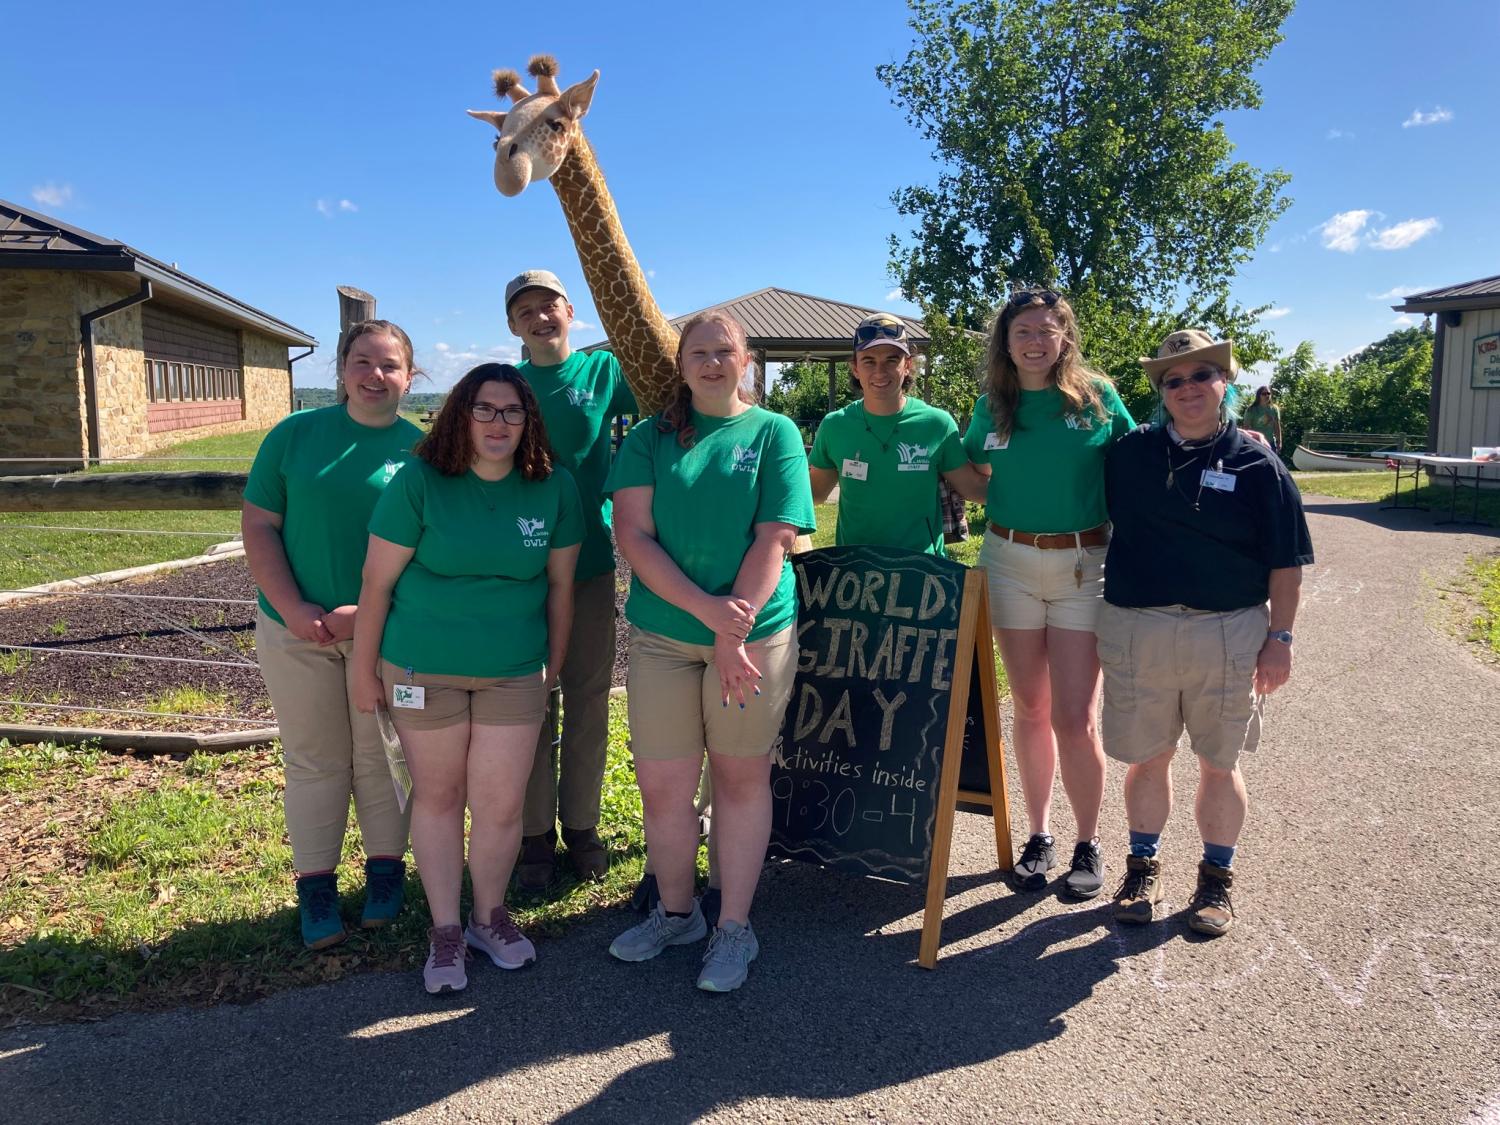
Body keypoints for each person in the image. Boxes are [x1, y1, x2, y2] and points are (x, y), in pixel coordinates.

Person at [352, 364, 582, 993]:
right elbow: (376, 585)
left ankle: (490, 917)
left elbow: (560, 589)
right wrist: (362, 670)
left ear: (528, 420)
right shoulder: (419, 482)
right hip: (420, 668)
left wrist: (551, 667)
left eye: (512, 411)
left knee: (503, 803)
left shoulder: (554, 488)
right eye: (485, 409)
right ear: (462, 413)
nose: (498, 422)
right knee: (439, 796)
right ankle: (446, 930)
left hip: (513, 672)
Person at [604, 311, 815, 992]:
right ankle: (677, 913)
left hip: (755, 637)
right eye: (699, 352)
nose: (713, 362)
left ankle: (734, 927)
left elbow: (774, 538)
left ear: (747, 358)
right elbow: (634, 537)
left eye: (725, 351)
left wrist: (734, 632)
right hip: (666, 637)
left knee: (739, 779)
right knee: (663, 787)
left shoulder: (775, 432)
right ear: (682, 362)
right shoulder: (649, 438)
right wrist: (707, 615)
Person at [1100, 330, 1311, 936]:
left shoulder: (1258, 462)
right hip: (1139, 628)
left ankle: (1216, 880)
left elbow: (1286, 562)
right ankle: (1142, 866)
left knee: (1219, 762)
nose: (1188, 388)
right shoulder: (1128, 454)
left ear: (1225, 383)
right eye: (1174, 380)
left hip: (1229, 631)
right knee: (1148, 758)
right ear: (1160, 391)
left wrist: (1282, 639)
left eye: (1202, 376)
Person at [242, 320, 423, 949]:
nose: (376, 376)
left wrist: (364, 616)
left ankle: (384, 876)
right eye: (363, 363)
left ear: (411, 374)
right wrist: (293, 607)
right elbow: (260, 525)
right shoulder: (294, 436)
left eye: (390, 365)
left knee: (383, 757)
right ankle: (316, 888)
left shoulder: (425, 452)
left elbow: (431, 551)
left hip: (386, 634)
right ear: (341, 369)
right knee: (316, 760)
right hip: (295, 629)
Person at [962, 288, 1135, 899]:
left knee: (1074, 715)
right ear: (1005, 343)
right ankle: (1040, 834)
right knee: (1030, 709)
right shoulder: (992, 406)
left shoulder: (1097, 397)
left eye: (1046, 330)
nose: (1035, 341)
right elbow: (967, 474)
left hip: (1084, 566)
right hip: (1007, 563)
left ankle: (1088, 840)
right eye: (1023, 332)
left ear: (1065, 337)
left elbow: (1139, 464)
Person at [506, 270, 638, 889]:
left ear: (571, 312)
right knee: (530, 700)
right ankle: (532, 833)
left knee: (587, 699)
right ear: (513, 324)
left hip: (587, 565)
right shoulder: (505, 387)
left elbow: (669, 404)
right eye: (525, 310)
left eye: (549, 306)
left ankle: (581, 825)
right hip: (518, 574)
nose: (539, 318)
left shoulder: (603, 374)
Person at [809, 313, 987, 553]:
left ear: (908, 365)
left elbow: (975, 488)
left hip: (923, 573)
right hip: (856, 570)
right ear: (855, 368)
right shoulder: (835, 426)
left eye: (892, 360)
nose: (880, 371)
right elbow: (815, 494)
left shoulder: (936, 424)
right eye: (869, 361)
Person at [1241, 386, 1283, 453]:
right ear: (1259, 395)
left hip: (1271, 443)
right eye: (1264, 394)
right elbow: (1246, 428)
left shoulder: (1274, 409)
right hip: (1257, 442)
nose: (1267, 396)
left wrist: (1279, 442)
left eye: (1268, 393)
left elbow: (1277, 427)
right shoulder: (1251, 410)